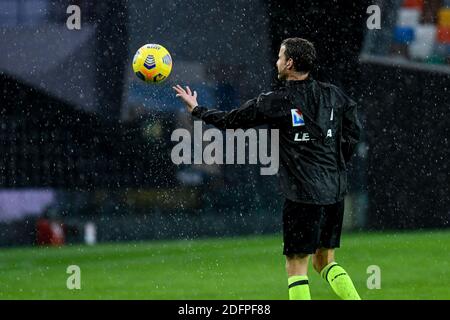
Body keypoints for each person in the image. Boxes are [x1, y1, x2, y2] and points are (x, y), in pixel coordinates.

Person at [172, 38, 361, 300]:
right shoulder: (333, 94)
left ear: (290, 63)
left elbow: (231, 121)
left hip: (302, 195)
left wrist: (197, 110)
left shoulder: (276, 100)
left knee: (296, 267)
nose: (277, 61)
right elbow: (354, 128)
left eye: (281, 56)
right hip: (334, 192)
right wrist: (337, 162)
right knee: (325, 261)